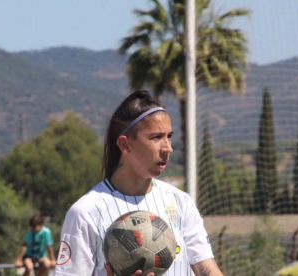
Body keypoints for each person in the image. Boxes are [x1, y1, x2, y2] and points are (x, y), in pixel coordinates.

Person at [55, 90, 225, 276]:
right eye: (156, 137)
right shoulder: (85, 213)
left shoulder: (180, 202)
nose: (168, 148)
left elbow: (207, 270)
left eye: (169, 136)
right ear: (125, 145)